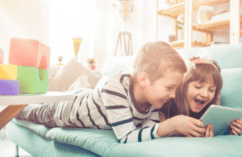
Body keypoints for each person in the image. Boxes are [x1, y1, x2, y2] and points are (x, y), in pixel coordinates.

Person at [16, 41, 206, 143]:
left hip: (88, 99)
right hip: (64, 111)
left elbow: (148, 134)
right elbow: (126, 137)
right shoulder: (116, 88)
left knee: (84, 91)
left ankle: (81, 86)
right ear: (143, 80)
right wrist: (171, 125)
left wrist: (183, 131)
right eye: (169, 88)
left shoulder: (153, 103)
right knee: (24, 111)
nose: (173, 95)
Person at [160, 53, 242, 137]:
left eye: (211, 90)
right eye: (198, 87)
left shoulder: (212, 111)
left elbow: (219, 129)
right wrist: (181, 133)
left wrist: (231, 129)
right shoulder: (167, 104)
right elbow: (159, 131)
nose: (205, 94)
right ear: (183, 86)